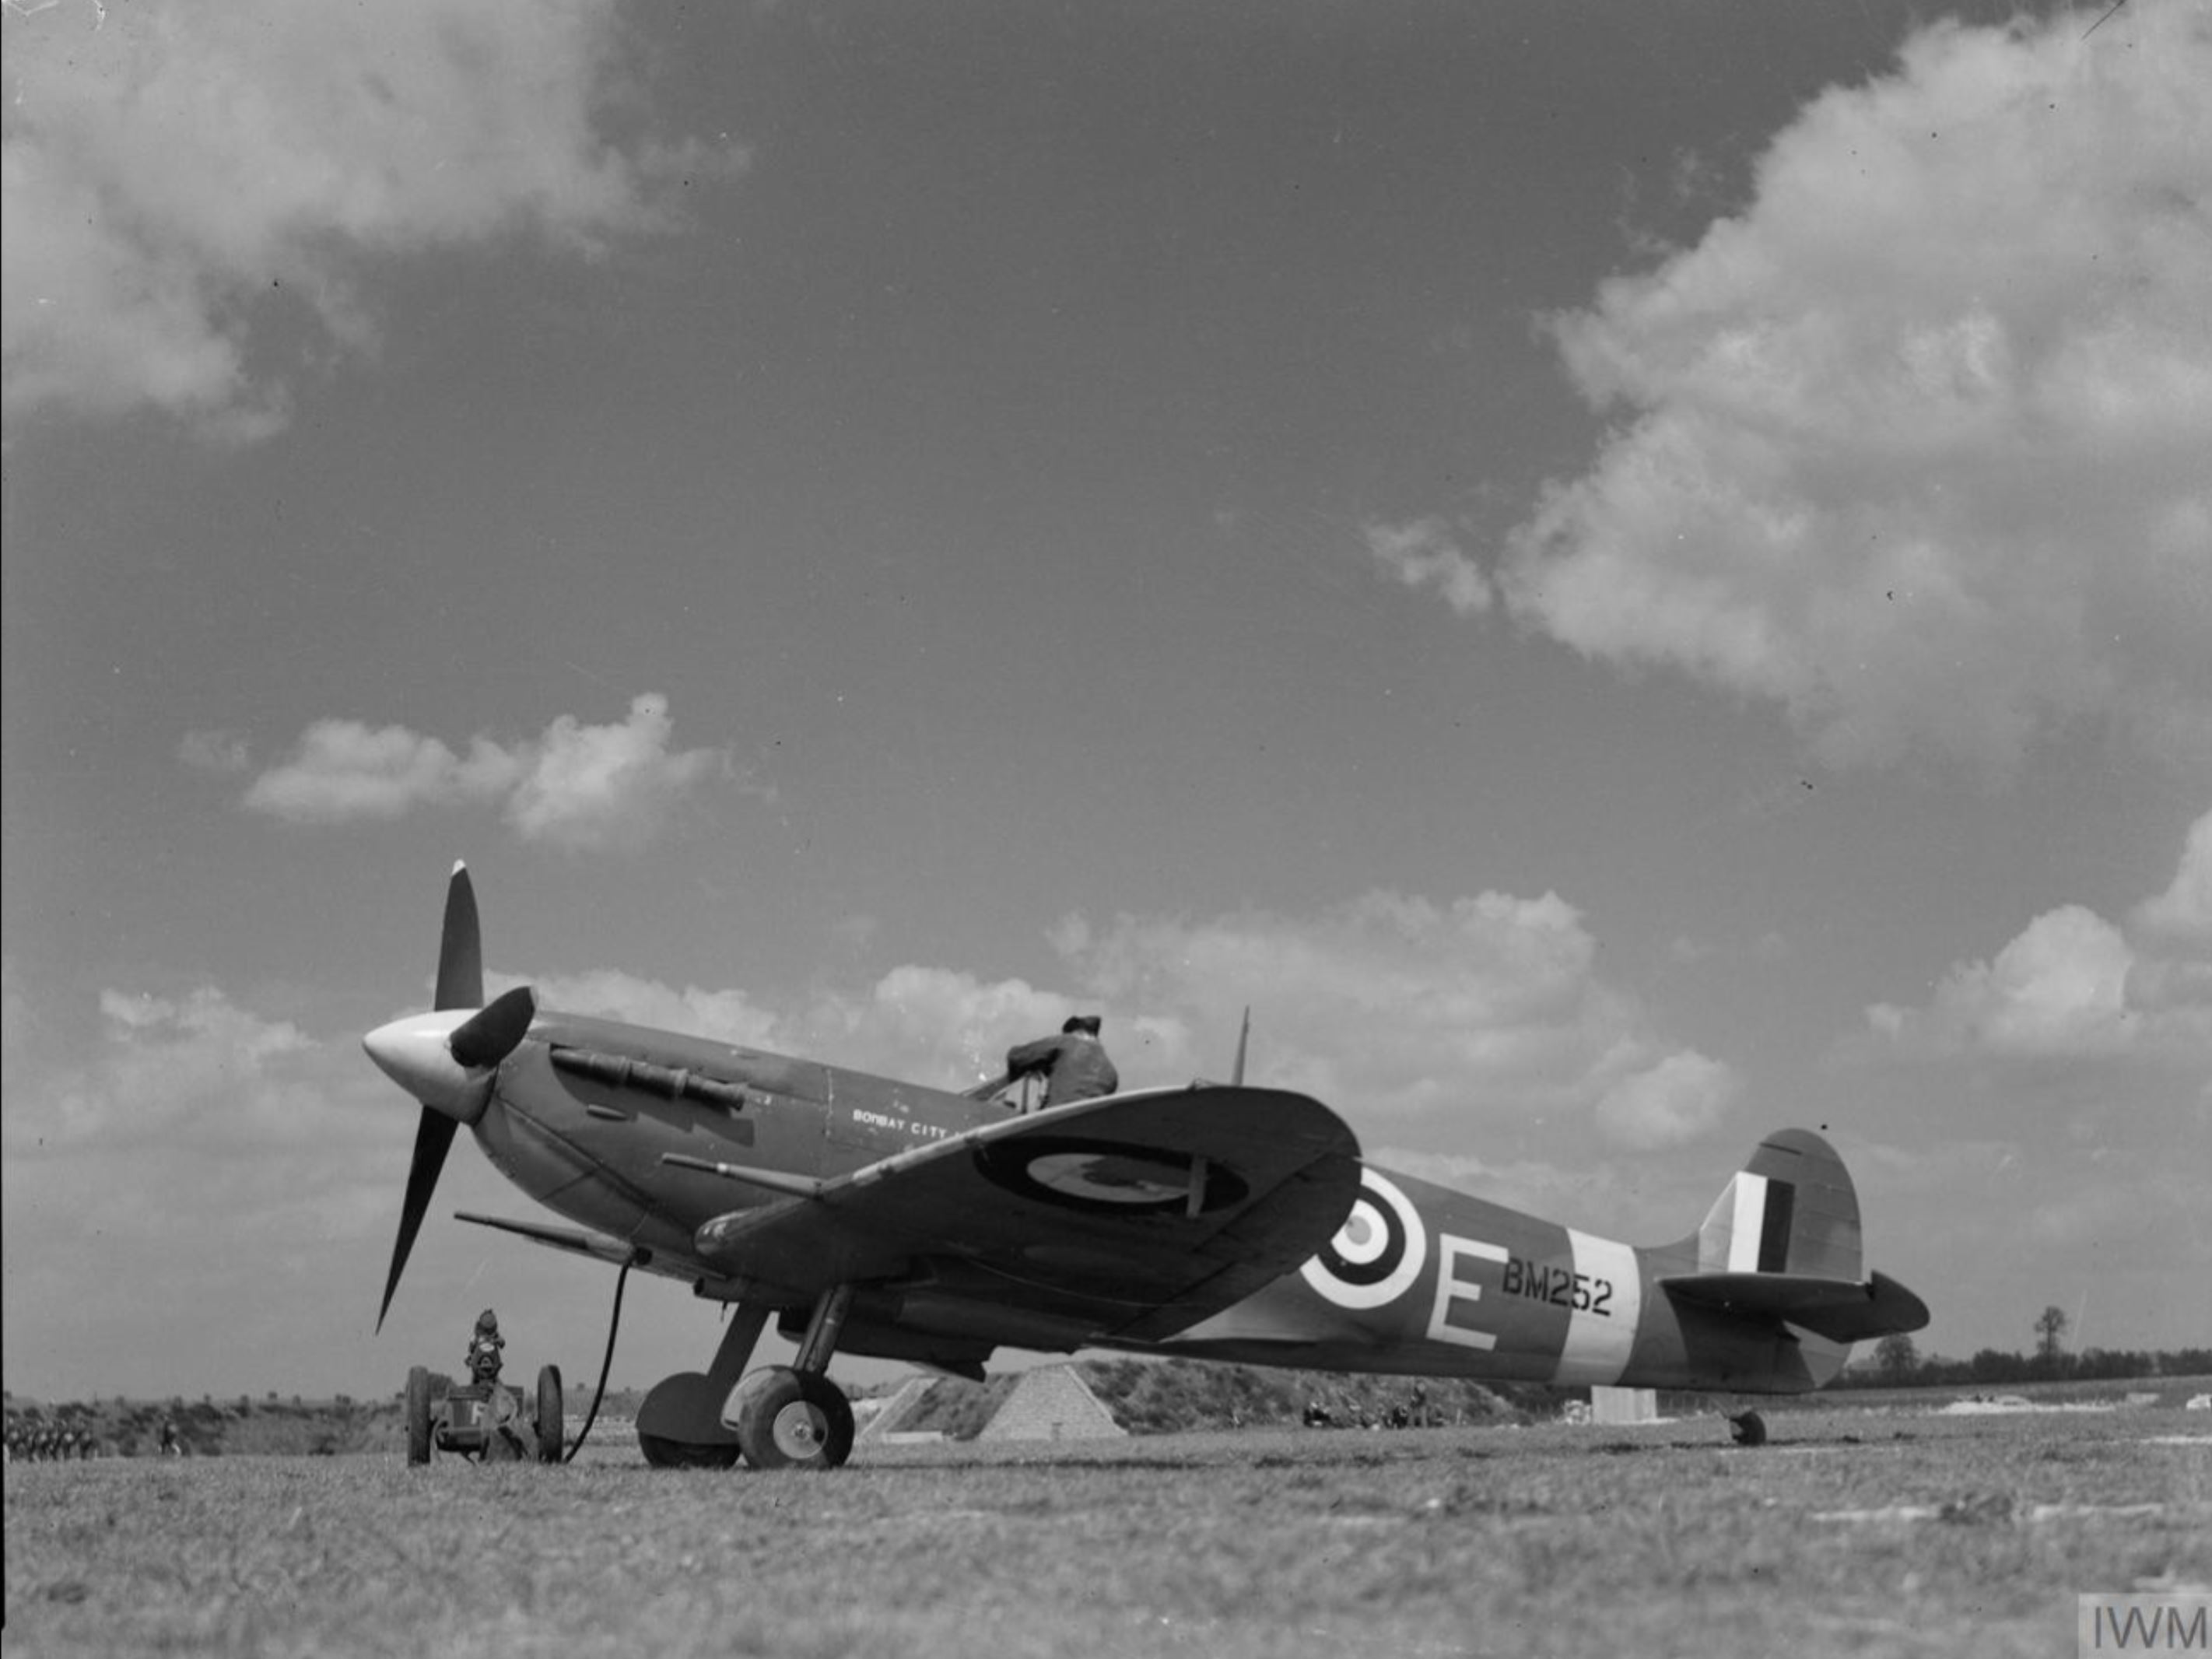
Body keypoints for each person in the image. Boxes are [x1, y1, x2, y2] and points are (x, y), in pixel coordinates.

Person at [1004, 1015, 1119, 1111]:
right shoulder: (1111, 1071)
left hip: (1057, 1115)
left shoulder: (1066, 1041)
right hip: (1091, 1119)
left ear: (1075, 1032)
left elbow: (1016, 1056)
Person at [466, 1309, 506, 1385]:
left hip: (493, 1365)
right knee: (475, 1379)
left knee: (495, 1379)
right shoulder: (477, 1336)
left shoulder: (495, 1335)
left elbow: (502, 1343)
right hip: (479, 1367)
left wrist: (498, 1341)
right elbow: (471, 1347)